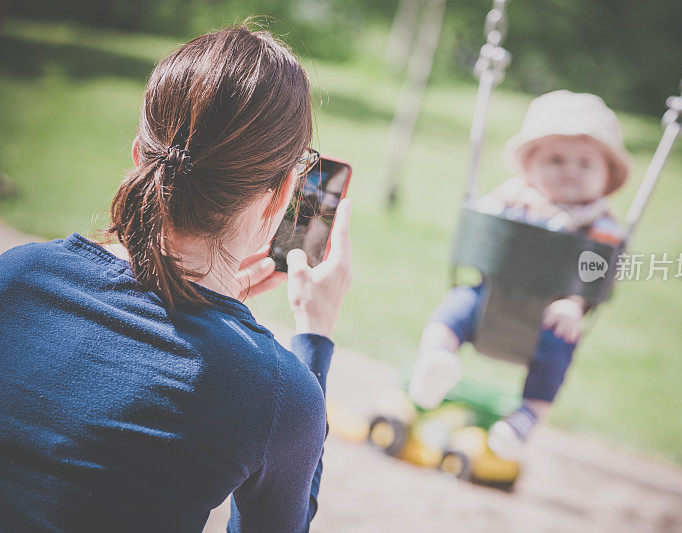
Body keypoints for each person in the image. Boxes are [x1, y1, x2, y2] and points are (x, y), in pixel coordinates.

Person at [0, 24, 351, 532]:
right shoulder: (275, 393)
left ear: (140, 156)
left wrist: (206, 305)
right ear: (280, 195)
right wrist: (314, 341)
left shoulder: (19, 277)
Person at [408, 90, 631, 460]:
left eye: (585, 164)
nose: (569, 170)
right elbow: (485, 227)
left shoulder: (602, 224)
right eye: (556, 159)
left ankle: (526, 419)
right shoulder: (514, 195)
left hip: (552, 314)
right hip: (492, 296)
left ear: (606, 177)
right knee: (455, 306)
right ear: (529, 166)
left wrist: (574, 305)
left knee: (561, 346)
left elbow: (596, 267)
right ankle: (434, 362)